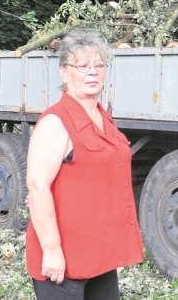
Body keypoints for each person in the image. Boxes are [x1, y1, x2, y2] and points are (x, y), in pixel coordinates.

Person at [25, 31, 144, 299]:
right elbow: (37, 187)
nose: (92, 72)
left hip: (99, 256)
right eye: (82, 66)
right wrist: (53, 251)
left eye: (99, 65)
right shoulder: (56, 122)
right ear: (64, 73)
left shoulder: (104, 119)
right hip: (65, 262)